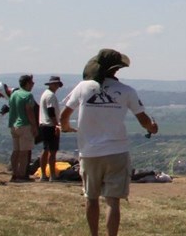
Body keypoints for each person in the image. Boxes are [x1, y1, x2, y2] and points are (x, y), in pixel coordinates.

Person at [60, 48, 157, 236]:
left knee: (91, 197)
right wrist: (152, 127)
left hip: (89, 151)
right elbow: (144, 120)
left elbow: (64, 116)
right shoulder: (127, 91)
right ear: (117, 69)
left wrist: (65, 127)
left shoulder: (83, 87)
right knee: (113, 201)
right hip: (116, 150)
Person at [6, 74, 38, 182]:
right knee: (24, 152)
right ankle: (21, 175)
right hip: (25, 125)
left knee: (16, 151)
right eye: (32, 82)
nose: (33, 84)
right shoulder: (28, 95)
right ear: (27, 83)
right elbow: (29, 111)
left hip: (14, 125)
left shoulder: (14, 94)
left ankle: (14, 174)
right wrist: (34, 126)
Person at [38, 75, 65, 181]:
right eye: (57, 84)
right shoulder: (50, 96)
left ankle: (44, 174)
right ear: (53, 84)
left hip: (44, 125)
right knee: (52, 151)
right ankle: (52, 175)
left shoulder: (45, 94)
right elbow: (51, 111)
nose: (58, 87)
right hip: (50, 125)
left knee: (46, 149)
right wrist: (56, 125)